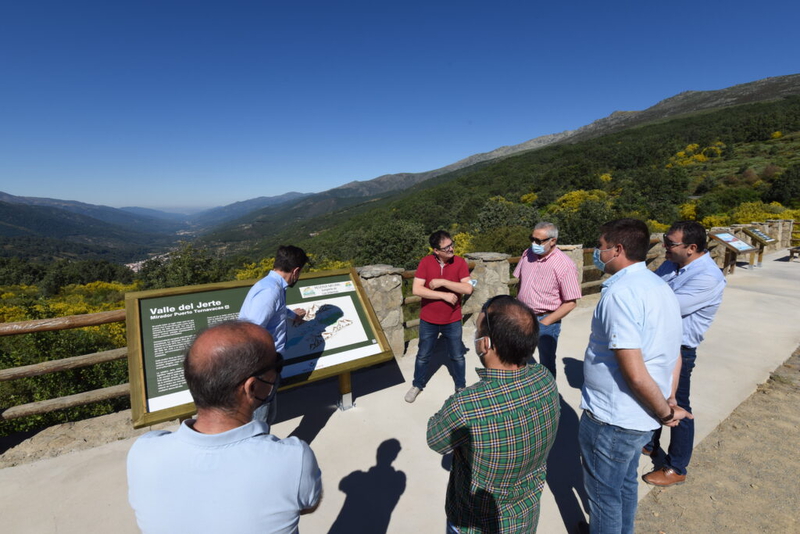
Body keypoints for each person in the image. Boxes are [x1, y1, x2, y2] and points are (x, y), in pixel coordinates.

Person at [127, 321, 322, 534]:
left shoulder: (143, 452)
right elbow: (308, 504)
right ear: (252, 387)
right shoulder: (294, 459)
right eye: (276, 365)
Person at [579, 218, 692, 534]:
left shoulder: (621, 295)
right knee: (625, 485)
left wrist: (666, 410)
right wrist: (667, 398)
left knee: (604, 498)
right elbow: (672, 354)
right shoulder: (660, 286)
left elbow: (635, 371)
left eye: (600, 248)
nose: (597, 254)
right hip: (639, 416)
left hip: (613, 418)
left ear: (617, 250)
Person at [427, 295, 560, 533]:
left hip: (474, 523)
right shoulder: (545, 378)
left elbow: (435, 439)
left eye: (478, 330)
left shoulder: (468, 404)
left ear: (485, 343)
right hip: (525, 517)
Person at [642, 221, 726, 487]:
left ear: (691, 248)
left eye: (670, 243)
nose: (665, 247)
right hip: (657, 344)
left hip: (679, 350)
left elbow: (663, 307)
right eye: (665, 240)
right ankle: (650, 443)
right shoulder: (673, 262)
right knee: (651, 394)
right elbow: (651, 289)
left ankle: (676, 466)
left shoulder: (707, 277)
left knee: (677, 405)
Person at [240, 245, 309, 423]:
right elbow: (250, 331)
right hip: (262, 366)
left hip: (267, 364)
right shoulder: (270, 291)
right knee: (260, 420)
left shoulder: (273, 286)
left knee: (267, 415)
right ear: (295, 271)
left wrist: (294, 315)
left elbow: (276, 310)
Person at [405, 230, 473, 403]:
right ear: (436, 250)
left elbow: (468, 288)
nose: (452, 249)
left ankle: (460, 386)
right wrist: (443, 295)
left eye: (452, 244)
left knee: (457, 355)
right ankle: (417, 385)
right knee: (423, 355)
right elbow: (417, 289)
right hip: (429, 319)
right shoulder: (425, 263)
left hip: (453, 319)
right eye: (447, 247)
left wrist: (443, 283)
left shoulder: (460, 262)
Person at [513, 221, 582, 378]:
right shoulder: (527, 254)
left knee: (546, 365)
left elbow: (571, 302)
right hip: (523, 316)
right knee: (518, 357)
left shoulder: (565, 265)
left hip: (546, 320)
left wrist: (544, 323)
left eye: (538, 241)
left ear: (553, 241)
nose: (533, 244)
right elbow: (520, 282)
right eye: (532, 239)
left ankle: (548, 398)